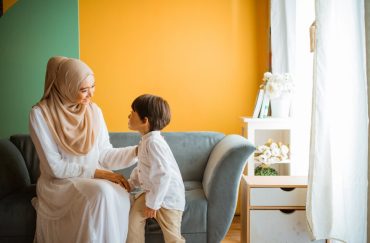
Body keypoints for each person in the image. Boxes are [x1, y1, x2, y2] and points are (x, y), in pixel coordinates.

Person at [29, 56, 137, 243]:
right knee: (101, 193)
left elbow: (104, 153)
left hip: (92, 178)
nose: (91, 94)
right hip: (59, 183)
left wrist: (137, 151)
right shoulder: (40, 114)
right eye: (83, 89)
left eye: (93, 86)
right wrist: (100, 174)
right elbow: (55, 167)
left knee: (119, 192)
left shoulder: (93, 111)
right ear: (65, 87)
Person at [126, 94, 186, 243]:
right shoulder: (146, 141)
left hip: (168, 198)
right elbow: (142, 168)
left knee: (173, 237)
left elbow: (163, 174)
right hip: (151, 193)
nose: (128, 116)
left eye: (132, 113)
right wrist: (131, 183)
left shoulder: (154, 142)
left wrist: (153, 204)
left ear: (145, 121)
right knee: (133, 225)